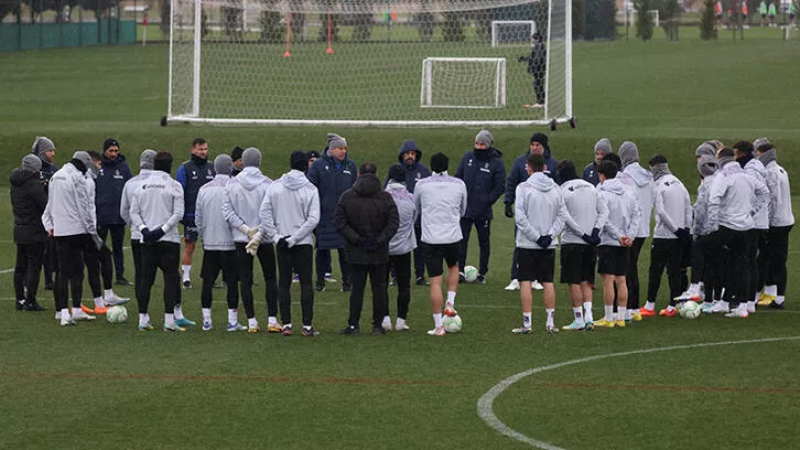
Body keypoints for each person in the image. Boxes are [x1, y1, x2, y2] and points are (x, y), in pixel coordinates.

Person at [259, 151, 321, 336]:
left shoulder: (275, 186)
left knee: (284, 282)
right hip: (303, 242)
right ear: (306, 166)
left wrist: (277, 237)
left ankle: (286, 324)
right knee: (306, 283)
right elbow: (313, 219)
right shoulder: (310, 189)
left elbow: (264, 213)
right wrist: (297, 237)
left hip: (283, 240)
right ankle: (307, 326)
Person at [334, 163, 399, 336]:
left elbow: (340, 222)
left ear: (358, 175)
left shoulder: (346, 197)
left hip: (356, 251)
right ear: (377, 174)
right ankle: (377, 325)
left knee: (356, 289)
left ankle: (353, 325)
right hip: (379, 251)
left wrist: (357, 240)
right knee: (379, 289)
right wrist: (379, 241)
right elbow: (393, 224)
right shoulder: (386, 198)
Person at [130, 151, 192, 331]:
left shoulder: (140, 185)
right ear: (170, 165)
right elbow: (178, 213)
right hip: (168, 240)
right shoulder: (174, 185)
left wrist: (144, 230)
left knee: (145, 279)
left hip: (147, 240)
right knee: (170, 279)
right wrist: (162, 230)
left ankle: (142, 319)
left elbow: (134, 212)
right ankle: (169, 321)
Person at [42, 151, 103, 326]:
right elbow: (83, 209)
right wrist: (93, 234)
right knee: (74, 272)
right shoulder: (78, 178)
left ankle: (66, 311)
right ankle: (68, 313)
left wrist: (50, 227)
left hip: (60, 232)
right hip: (77, 231)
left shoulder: (56, 176)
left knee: (64, 271)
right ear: (83, 164)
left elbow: (49, 207)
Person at [222, 147, 279, 333]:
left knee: (245, 279)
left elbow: (227, 212)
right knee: (270, 277)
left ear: (243, 161)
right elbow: (272, 212)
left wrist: (246, 230)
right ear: (260, 161)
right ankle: (272, 319)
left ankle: (252, 321)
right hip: (265, 238)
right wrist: (259, 233)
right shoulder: (268, 184)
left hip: (241, 238)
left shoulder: (231, 184)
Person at [707, 148, 768, 318]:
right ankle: (741, 304)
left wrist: (713, 225)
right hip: (746, 228)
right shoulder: (746, 175)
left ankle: (722, 300)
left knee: (722, 263)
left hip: (727, 227)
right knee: (742, 265)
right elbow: (764, 192)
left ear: (720, 160)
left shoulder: (722, 176)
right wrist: (752, 211)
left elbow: (714, 200)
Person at [414, 152, 468, 336]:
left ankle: (438, 326)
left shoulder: (421, 185)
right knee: (453, 267)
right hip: (453, 236)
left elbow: (417, 208)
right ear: (447, 166)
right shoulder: (459, 184)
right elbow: (463, 209)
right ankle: (450, 303)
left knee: (435, 281)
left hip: (431, 238)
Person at [512, 154, 565, 334]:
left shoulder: (523, 188)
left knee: (525, 281)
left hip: (527, 243)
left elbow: (520, 218)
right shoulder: (556, 188)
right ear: (544, 167)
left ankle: (527, 324)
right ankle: (550, 323)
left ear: (528, 167)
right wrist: (548, 236)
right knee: (548, 281)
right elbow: (562, 216)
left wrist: (536, 236)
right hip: (547, 245)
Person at [557, 160, 608, 331]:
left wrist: (582, 234)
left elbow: (565, 217)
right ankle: (589, 317)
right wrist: (595, 231)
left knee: (574, 281)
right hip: (590, 243)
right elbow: (604, 211)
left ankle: (578, 319)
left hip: (572, 242)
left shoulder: (563, 190)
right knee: (587, 279)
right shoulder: (591, 187)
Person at [639, 155, 692, 317]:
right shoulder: (679, 183)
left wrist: (675, 229)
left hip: (663, 236)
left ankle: (650, 305)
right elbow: (688, 207)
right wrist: (685, 230)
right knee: (674, 271)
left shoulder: (657, 185)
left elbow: (661, 211)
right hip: (679, 237)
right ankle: (672, 305)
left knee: (655, 270)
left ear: (655, 168)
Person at [196, 155, 242, 332]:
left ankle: (207, 320)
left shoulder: (204, 189)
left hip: (210, 242)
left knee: (207, 282)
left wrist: (203, 235)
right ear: (230, 168)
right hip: (230, 243)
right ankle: (232, 321)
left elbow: (198, 217)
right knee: (231, 282)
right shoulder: (235, 187)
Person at [307, 133, 357, 292]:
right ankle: (320, 281)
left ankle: (347, 282)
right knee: (321, 249)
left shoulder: (351, 166)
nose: (343, 151)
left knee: (345, 251)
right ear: (332, 149)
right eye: (340, 148)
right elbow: (311, 190)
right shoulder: (318, 166)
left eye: (345, 148)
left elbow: (355, 189)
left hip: (345, 216)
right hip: (324, 215)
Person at [455, 129, 505, 284]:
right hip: (466, 209)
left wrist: (488, 201)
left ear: (488, 145)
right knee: (461, 241)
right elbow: (458, 178)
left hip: (483, 211)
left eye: (482, 144)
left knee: (484, 242)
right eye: (477, 143)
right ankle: (460, 271)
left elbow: (499, 186)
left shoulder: (497, 163)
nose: (479, 146)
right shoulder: (467, 157)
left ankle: (482, 273)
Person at [594, 160, 640, 328]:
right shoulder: (627, 192)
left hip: (608, 241)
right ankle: (621, 316)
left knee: (608, 280)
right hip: (625, 242)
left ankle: (608, 317)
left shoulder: (602, 193)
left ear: (602, 175)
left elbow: (603, 219)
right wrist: (630, 236)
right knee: (621, 279)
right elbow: (636, 215)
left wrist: (619, 236)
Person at [83, 150, 129, 315]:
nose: (100, 166)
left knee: (102, 257)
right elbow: (86, 207)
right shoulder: (87, 181)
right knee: (91, 263)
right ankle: (94, 302)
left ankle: (104, 297)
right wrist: (92, 230)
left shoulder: (89, 179)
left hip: (89, 228)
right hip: (86, 230)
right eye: (98, 163)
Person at [678, 155, 722, 313]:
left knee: (699, 250)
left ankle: (695, 286)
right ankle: (714, 299)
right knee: (715, 264)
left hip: (711, 229)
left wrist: (696, 231)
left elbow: (703, 210)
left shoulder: (705, 185)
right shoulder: (719, 180)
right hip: (724, 226)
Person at [385, 140, 430, 286]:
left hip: (418, 216)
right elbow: (386, 190)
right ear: (402, 155)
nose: (410, 156)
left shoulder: (423, 171)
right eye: (407, 154)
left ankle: (419, 275)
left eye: (413, 154)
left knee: (419, 248)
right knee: (396, 248)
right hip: (399, 217)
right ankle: (395, 276)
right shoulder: (396, 170)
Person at [755, 141, 794, 309]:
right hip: (786, 220)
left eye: (757, 152)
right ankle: (773, 294)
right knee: (776, 259)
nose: (756, 156)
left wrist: (767, 223)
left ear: (763, 153)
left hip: (776, 224)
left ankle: (774, 297)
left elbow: (773, 199)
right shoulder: (780, 169)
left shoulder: (770, 172)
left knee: (767, 259)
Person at [618, 141, 653, 321]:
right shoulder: (649, 176)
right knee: (632, 267)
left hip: (630, 229)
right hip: (644, 228)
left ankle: (628, 308)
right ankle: (634, 307)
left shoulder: (624, 177)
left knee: (626, 269)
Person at [120, 150, 157, 314]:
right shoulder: (161, 182)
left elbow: (124, 211)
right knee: (162, 274)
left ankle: (143, 310)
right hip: (158, 235)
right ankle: (173, 312)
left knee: (139, 273)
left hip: (137, 235)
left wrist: (135, 225)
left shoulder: (130, 183)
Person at [734, 140, 769, 314]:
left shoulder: (751, 170)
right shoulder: (756, 167)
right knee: (751, 261)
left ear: (742, 153)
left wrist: (748, 212)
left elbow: (756, 193)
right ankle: (749, 300)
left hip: (752, 223)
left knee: (746, 261)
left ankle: (746, 301)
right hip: (757, 221)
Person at [175, 138, 215, 289]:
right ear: (193, 150)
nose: (204, 152)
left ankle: (208, 277)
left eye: (205, 149)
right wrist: (182, 215)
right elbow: (178, 192)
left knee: (210, 247)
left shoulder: (212, 167)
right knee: (189, 246)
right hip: (191, 215)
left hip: (210, 216)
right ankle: (185, 278)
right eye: (200, 149)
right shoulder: (184, 168)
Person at [94, 138, 133, 286]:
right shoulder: (98, 166)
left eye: (116, 151)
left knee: (118, 248)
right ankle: (97, 273)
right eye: (111, 151)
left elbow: (130, 187)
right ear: (105, 151)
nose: (114, 154)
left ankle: (120, 276)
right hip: (101, 216)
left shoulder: (123, 167)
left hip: (118, 216)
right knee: (99, 246)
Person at [11, 155, 48, 312]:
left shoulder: (15, 183)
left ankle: (19, 299)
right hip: (34, 231)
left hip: (19, 228)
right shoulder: (34, 185)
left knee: (20, 266)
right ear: (35, 168)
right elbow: (45, 205)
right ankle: (30, 300)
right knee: (34, 267)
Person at [384, 164, 418, 331]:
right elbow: (414, 219)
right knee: (404, 285)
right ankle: (401, 320)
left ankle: (384, 319)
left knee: (380, 284)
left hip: (384, 247)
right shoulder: (411, 198)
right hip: (404, 247)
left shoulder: (382, 197)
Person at [31, 136, 58, 291]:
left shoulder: (54, 170)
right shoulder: (34, 169)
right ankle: (29, 283)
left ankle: (49, 279)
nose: (53, 153)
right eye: (49, 150)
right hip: (35, 216)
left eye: (53, 150)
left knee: (50, 250)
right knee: (34, 252)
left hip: (50, 216)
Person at [519, 32, 546, 108]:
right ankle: (542, 101)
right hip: (539, 68)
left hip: (538, 68)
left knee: (537, 85)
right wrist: (524, 58)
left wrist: (534, 67)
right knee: (538, 85)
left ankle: (540, 102)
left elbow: (537, 58)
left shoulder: (539, 46)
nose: (532, 40)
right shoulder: (538, 46)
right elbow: (532, 57)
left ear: (536, 39)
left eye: (533, 38)